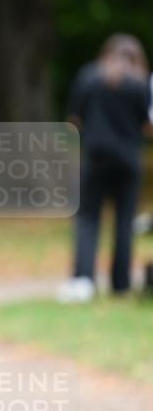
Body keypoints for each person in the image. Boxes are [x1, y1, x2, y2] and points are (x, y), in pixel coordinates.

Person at [58, 34, 152, 302]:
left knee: (88, 219)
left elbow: (74, 119)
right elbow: (146, 123)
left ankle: (83, 279)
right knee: (124, 222)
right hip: (128, 158)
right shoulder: (139, 83)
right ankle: (120, 284)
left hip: (95, 157)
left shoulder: (89, 77)